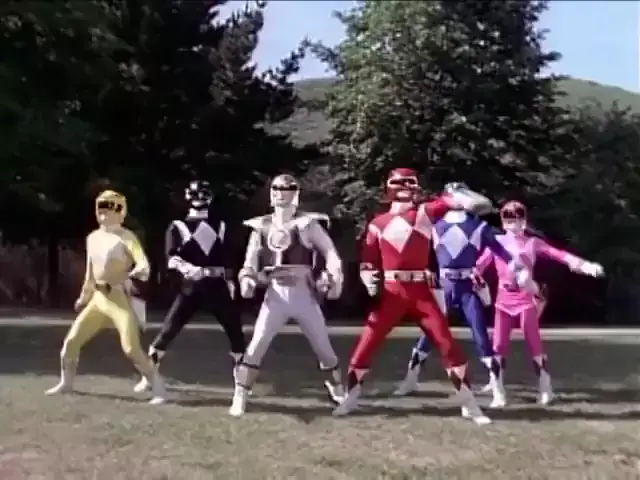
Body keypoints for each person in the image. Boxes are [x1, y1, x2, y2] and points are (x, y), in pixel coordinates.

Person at [332, 169, 496, 425]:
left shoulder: (424, 213)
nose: (403, 187)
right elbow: (368, 261)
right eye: (398, 183)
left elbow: (467, 202)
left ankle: (469, 403)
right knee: (367, 342)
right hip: (391, 291)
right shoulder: (378, 223)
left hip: (420, 290)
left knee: (446, 343)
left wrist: (460, 195)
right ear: (388, 187)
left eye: (409, 183)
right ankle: (351, 397)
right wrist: (368, 279)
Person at [393, 183, 530, 408]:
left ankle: (498, 390)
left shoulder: (475, 226)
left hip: (465, 287)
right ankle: (410, 380)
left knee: (480, 337)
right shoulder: (437, 226)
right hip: (446, 287)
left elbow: (502, 253)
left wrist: (519, 270)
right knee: (431, 334)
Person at [229, 174, 345, 417]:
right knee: (256, 346)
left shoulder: (308, 224)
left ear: (296, 193)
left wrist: (334, 275)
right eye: (277, 188)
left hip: (304, 293)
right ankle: (240, 394)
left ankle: (338, 392)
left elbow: (330, 253)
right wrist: (247, 279)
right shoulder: (261, 226)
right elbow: (250, 261)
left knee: (324, 348)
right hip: (275, 296)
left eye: (288, 188)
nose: (281, 193)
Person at [475, 200, 604, 405]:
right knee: (498, 347)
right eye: (509, 221)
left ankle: (546, 387)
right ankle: (498, 393)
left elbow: (558, 254)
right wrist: (466, 277)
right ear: (503, 222)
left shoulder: (532, 243)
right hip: (503, 301)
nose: (513, 225)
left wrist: (583, 265)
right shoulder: (496, 242)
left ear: (524, 221)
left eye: (517, 221)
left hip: (526, 300)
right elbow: (478, 266)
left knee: (534, 345)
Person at [45, 190, 167, 404]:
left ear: (120, 212)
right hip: (98, 299)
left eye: (109, 209)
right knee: (71, 341)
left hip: (119, 299)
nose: (104, 215)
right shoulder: (93, 238)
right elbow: (90, 273)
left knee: (131, 348)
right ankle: (66, 383)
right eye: (101, 210)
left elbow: (143, 263)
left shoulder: (127, 237)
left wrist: (137, 272)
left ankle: (158, 386)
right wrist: (84, 296)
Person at [133, 180, 246, 393]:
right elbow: (171, 257)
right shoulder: (178, 226)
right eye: (196, 195)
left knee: (235, 332)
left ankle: (243, 380)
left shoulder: (220, 226)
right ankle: (148, 376)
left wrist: (228, 279)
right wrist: (189, 269)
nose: (199, 199)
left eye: (203, 195)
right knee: (168, 330)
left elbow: (227, 257)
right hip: (191, 288)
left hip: (217, 286)